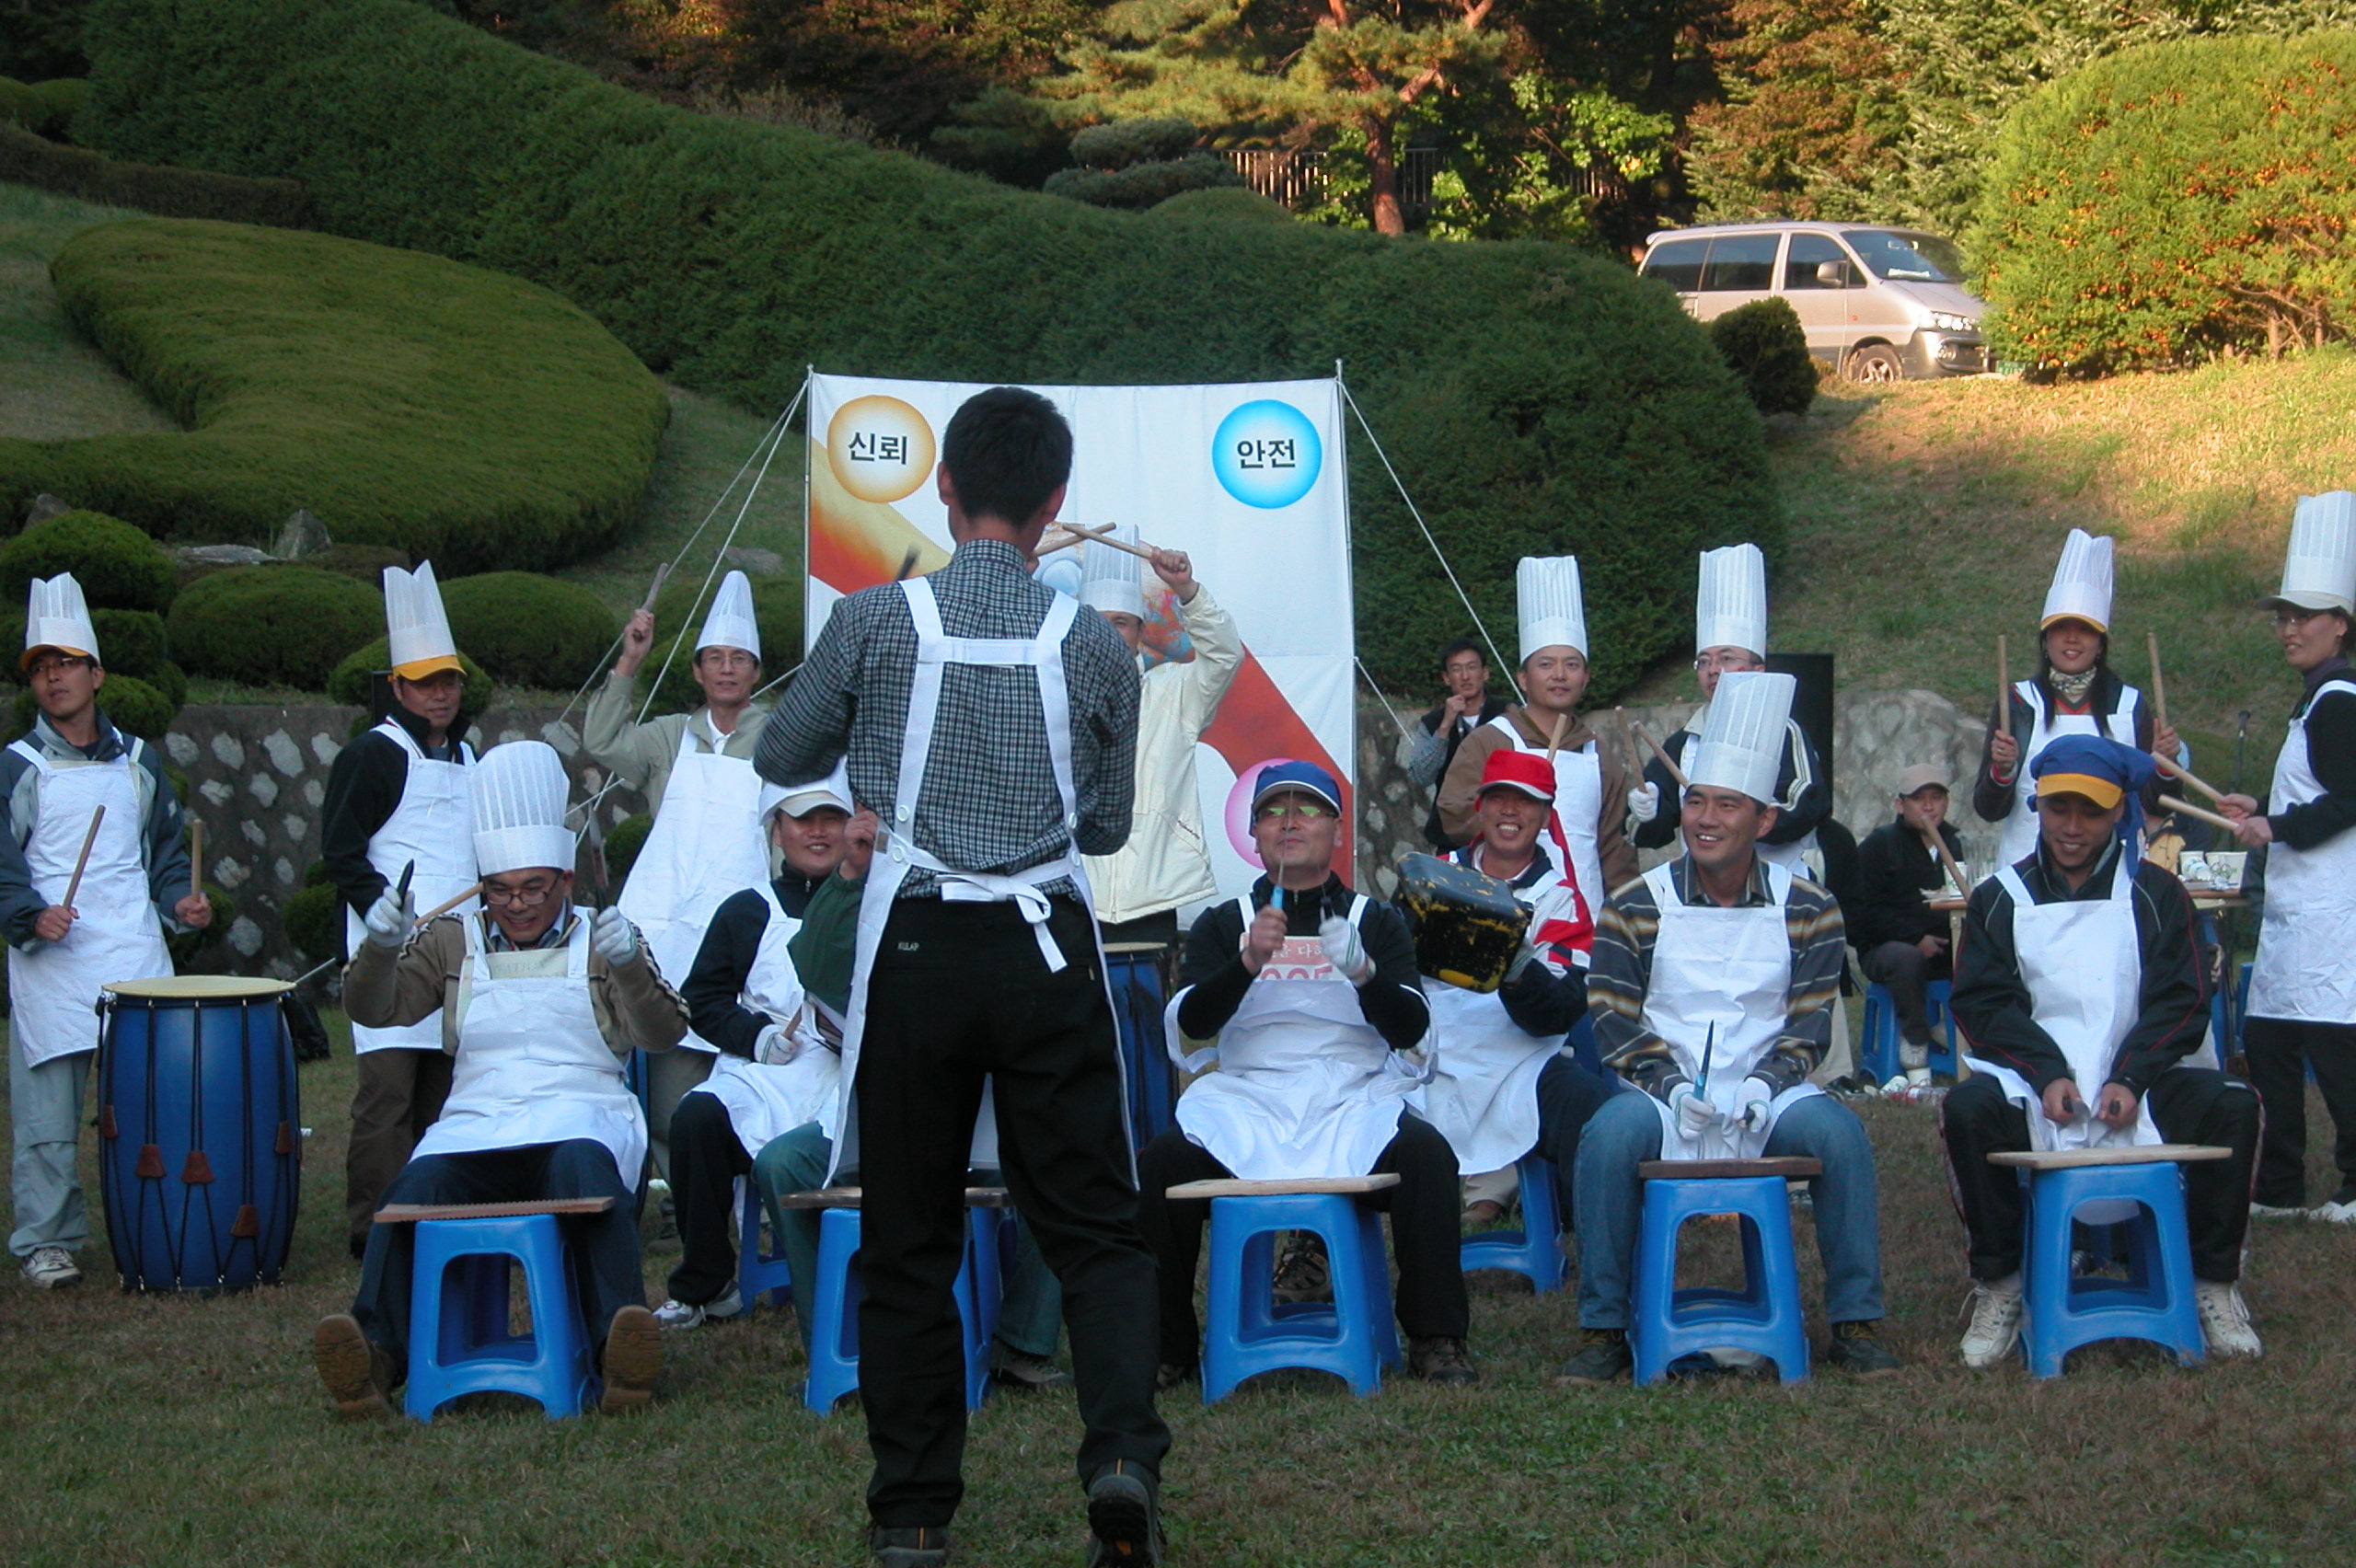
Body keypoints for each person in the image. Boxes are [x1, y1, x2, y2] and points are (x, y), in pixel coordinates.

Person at [756, 386, 1169, 1568]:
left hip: (922, 945)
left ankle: (915, 1511)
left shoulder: (876, 619)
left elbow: (782, 757)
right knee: (1094, 1226)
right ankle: (1123, 1457)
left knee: (909, 1236)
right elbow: (1100, 827)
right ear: (1052, 507)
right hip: (1041, 946)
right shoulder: (1092, 643)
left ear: (944, 487)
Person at [312, 741, 688, 1419]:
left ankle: (618, 1348)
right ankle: (374, 1353)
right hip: (478, 1121)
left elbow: (664, 1033)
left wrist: (629, 964)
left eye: (532, 889)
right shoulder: (454, 938)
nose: (516, 906)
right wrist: (379, 948)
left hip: (580, 1113)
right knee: (411, 1192)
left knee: (588, 1176)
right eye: (500, 891)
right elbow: (376, 1009)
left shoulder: (601, 938)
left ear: (565, 881)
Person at [1560, 672, 1899, 1383]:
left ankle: (1856, 1321)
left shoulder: (1810, 906)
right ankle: (1603, 1328)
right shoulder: (1635, 904)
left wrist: (1768, 1085)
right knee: (1608, 1136)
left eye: (1727, 805)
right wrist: (1672, 1086)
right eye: (1696, 803)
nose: (1705, 819)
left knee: (1840, 1137)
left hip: (1769, 1092)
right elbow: (1614, 1017)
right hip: (1664, 1092)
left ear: (1764, 820)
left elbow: (1808, 1022)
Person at [1138, 761, 1476, 1386]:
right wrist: (1246, 963)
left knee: (1427, 1156)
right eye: (1273, 811)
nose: (1290, 822)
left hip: (1351, 1097)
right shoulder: (1223, 922)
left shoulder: (1376, 920)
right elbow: (1192, 1025)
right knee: (1161, 1164)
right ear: (1255, 832)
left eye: (1309, 809)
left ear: (1338, 831)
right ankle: (1168, 1347)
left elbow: (1412, 1031)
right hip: (1249, 1097)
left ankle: (1437, 1337)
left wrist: (1365, 975)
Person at [1945, 734, 2260, 1363]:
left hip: (2138, 1082)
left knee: (2233, 1103)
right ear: (2039, 806)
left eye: (2090, 811)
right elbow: (1985, 1004)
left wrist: (2130, 1076)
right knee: (1969, 1109)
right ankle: (2002, 1283)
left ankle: (2211, 1281)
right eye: (2059, 808)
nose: (2072, 826)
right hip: (2035, 1091)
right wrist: (2046, 1074)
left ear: (2119, 811)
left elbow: (2183, 1000)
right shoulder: (1999, 898)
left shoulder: (2157, 894)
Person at [5, 575, 209, 1289]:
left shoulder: (140, 761)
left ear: (97, 674)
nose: (52, 678)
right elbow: (2, 866)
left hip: (133, 952)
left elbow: (160, 855)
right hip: (51, 962)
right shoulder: (17, 768)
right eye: (39, 669)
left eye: (64, 665)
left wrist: (178, 903)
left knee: (150, 1102)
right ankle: (47, 1240)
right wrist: (31, 914)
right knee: (49, 1119)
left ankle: (150, 1220)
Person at [654, 768, 856, 1332]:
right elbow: (704, 997)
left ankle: (838, 1266)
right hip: (771, 1067)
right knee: (697, 1117)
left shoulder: (875, 900)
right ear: (776, 832)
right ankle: (707, 1282)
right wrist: (756, 1037)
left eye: (831, 819)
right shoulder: (748, 908)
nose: (818, 833)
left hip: (848, 1071)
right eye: (803, 821)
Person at [321, 561, 479, 1257]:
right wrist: (383, 914)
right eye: (424, 683)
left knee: (445, 1090)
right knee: (387, 1096)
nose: (438, 695)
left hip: (458, 944)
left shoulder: (472, 756)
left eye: (447, 681)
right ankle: (376, 1228)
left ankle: (438, 1214)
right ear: (397, 687)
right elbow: (342, 848)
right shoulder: (371, 755)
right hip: (390, 948)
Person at [1075, 524, 1244, 1147]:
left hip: (1146, 913)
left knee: (1145, 1069)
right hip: (1072, 912)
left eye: (1121, 623)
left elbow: (1224, 655)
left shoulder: (1174, 694)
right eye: (1095, 624)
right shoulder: (1042, 700)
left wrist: (1187, 591)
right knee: (1071, 1070)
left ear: (1141, 634)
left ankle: (1147, 1203)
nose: (1108, 637)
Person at [2221, 490, 2356, 1222]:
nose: (2290, 628)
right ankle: (2277, 1187)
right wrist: (2267, 815)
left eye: (2304, 616)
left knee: (2337, 1054)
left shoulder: (2339, 698)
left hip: (2335, 913)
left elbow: (2353, 799)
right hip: (2298, 911)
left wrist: (2278, 829)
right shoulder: (2315, 699)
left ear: (2341, 624)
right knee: (2268, 1040)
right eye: (2284, 616)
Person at [1415, 748, 1613, 1231]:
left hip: (1523, 1059)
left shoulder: (1564, 900)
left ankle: (1584, 1236)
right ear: (1479, 806)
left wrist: (1512, 958)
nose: (1510, 811)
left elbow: (1558, 1012)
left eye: (1525, 801)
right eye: (1498, 798)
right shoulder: (1432, 875)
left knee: (1593, 1110)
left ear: (1545, 815)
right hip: (1429, 1056)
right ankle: (1317, 1250)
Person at [1437, 556, 1637, 920]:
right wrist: (1513, 822)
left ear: (1586, 678)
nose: (1559, 674)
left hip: (1584, 917)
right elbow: (1453, 815)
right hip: (1501, 912)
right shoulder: (1491, 740)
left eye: (1571, 665)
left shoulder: (1599, 754)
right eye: (1546, 664)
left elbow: (1614, 848)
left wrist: (1625, 919)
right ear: (1524, 678)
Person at [1972, 528, 2181, 867]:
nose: (2072, 639)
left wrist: (2164, 766)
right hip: (2028, 873)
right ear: (2045, 639)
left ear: (2101, 643)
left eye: (2084, 629)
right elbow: (1988, 809)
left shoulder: (2129, 705)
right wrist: (2003, 769)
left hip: (2111, 876)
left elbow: (2157, 806)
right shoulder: (2019, 703)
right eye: (2061, 628)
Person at [1630, 545, 1828, 872]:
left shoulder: (1784, 732)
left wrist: (1739, 820)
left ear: (1758, 670)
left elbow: (1807, 803)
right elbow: (1651, 831)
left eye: (1726, 658)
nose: (1713, 670)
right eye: (1704, 661)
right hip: (1700, 892)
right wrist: (1647, 810)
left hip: (1779, 885)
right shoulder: (1684, 742)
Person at [1853, 764, 1968, 1090]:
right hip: (1886, 949)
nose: (1928, 806)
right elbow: (1863, 913)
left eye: (1936, 798)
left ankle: (1965, 1033)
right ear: (1901, 805)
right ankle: (1914, 1046)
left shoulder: (1954, 846)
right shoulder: (1880, 845)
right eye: (1919, 799)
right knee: (1905, 958)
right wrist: (1915, 938)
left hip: (1947, 946)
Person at [1408, 638, 1508, 850]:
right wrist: (1445, 726)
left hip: (1504, 826)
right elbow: (1420, 776)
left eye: (1472, 667)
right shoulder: (1433, 722)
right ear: (1446, 678)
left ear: (1485, 673)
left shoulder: (1509, 714)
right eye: (1456, 669)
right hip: (1450, 833)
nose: (1465, 676)